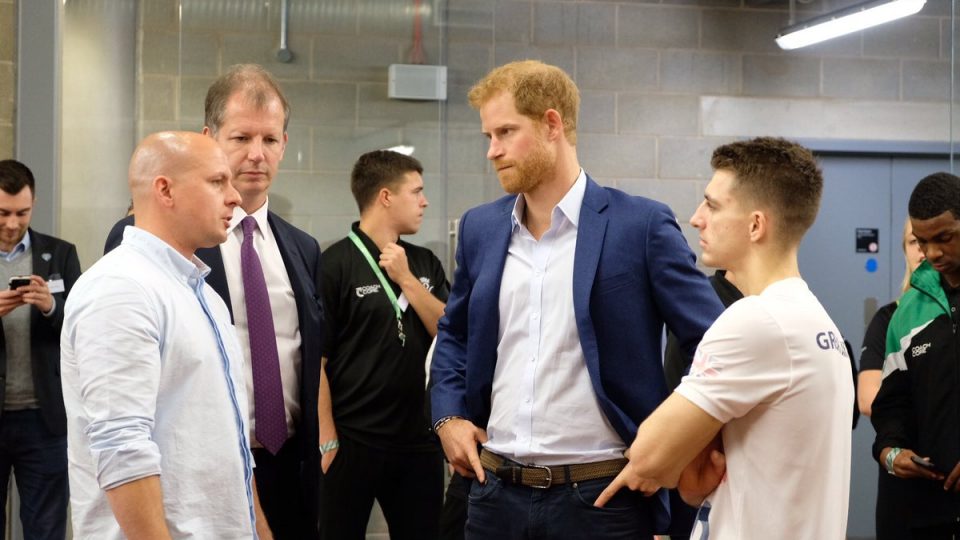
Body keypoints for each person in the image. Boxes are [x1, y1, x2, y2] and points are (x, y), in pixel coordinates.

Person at [429, 60, 724, 539]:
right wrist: (448, 417)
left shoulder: (640, 226)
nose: (492, 151)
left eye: (505, 131)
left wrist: (669, 445)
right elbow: (454, 334)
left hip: (601, 499)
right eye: (488, 136)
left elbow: (715, 345)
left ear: (551, 124)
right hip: (493, 495)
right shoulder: (481, 228)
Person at [103, 65, 323, 538]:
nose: (256, 155)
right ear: (209, 138)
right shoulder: (159, 239)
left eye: (270, 139)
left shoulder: (302, 247)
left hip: (291, 465)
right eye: (241, 137)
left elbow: (308, 356)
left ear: (285, 143)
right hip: (201, 471)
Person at [596, 137, 854, 540]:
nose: (697, 218)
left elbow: (650, 458)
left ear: (755, 225)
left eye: (713, 205)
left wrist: (669, 463)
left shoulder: (755, 320)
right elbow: (700, 475)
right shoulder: (819, 324)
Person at [61, 131, 271, 537]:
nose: (235, 198)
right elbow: (122, 448)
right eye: (217, 182)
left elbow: (231, 446)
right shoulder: (121, 288)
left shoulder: (206, 296)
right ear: (165, 190)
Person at [318, 150, 448, 539]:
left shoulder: (424, 263)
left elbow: (451, 332)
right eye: (417, 192)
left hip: (419, 442)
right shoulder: (335, 264)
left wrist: (407, 279)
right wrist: (326, 439)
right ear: (386, 196)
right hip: (353, 440)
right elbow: (316, 362)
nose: (424, 202)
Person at [871, 171, 960, 538]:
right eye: (923, 242)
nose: (933, 253)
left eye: (945, 238)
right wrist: (892, 453)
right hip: (928, 513)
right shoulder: (907, 312)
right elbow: (892, 406)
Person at [0, 160, 80, 539]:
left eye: (22, 212)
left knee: (46, 528)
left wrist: (51, 306)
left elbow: (83, 329)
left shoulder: (60, 254)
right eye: (2, 213)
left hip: (45, 420)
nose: (13, 224)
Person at [858, 218, 924, 540]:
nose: (923, 250)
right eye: (914, 242)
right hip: (902, 481)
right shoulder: (888, 319)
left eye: (931, 239)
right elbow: (869, 398)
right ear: (905, 251)